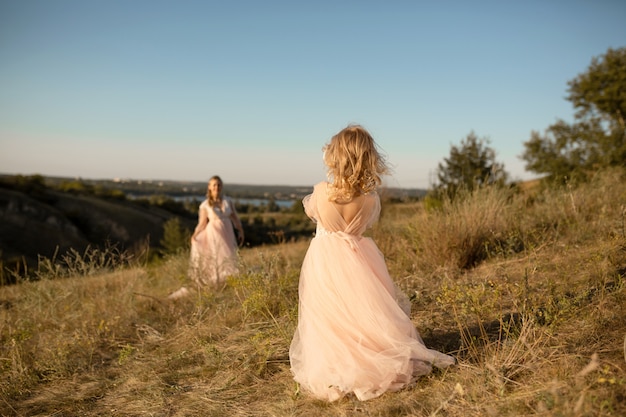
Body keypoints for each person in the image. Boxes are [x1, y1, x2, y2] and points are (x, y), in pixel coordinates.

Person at [289, 125, 455, 401]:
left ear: (335, 156)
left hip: (325, 259)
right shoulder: (369, 198)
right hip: (359, 258)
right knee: (360, 310)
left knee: (328, 313)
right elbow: (365, 223)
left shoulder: (321, 192)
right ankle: (367, 352)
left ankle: (336, 361)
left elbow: (314, 214)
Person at [188, 175, 244, 288]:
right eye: (214, 185)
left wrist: (240, 230)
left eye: (218, 185)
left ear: (222, 186)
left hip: (227, 231)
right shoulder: (205, 205)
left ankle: (228, 280)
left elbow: (235, 217)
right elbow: (202, 223)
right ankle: (217, 281)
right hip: (213, 232)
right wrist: (195, 234)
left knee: (229, 254)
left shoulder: (228, 201)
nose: (216, 187)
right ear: (209, 187)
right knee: (217, 255)